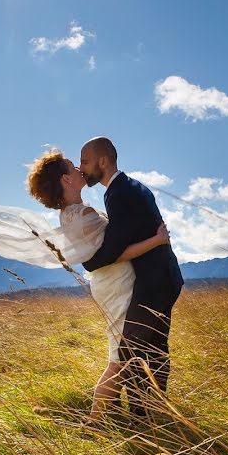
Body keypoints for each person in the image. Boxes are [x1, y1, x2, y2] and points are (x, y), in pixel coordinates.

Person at [0, 149, 169, 427]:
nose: (80, 169)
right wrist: (156, 241)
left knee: (123, 351)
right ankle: (95, 422)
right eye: (73, 166)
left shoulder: (73, 214)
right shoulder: (81, 215)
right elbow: (110, 255)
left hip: (112, 282)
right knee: (120, 357)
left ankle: (114, 416)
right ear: (66, 179)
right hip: (115, 281)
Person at [79, 137, 184, 418]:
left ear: (103, 161)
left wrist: (88, 262)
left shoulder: (119, 193)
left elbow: (112, 249)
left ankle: (139, 417)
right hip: (164, 279)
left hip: (154, 284)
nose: (81, 168)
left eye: (85, 161)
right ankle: (152, 411)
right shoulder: (131, 187)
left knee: (130, 353)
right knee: (155, 348)